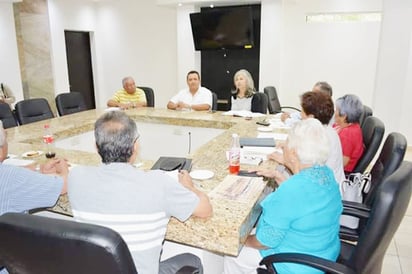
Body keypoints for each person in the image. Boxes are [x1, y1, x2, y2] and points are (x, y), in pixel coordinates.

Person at [68, 111, 213, 274]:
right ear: (135, 146)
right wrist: (189, 187)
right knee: (192, 261)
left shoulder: (75, 177)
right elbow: (205, 210)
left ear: (96, 146)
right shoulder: (159, 183)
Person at [223, 118, 342, 274]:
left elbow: (264, 242)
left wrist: (240, 241)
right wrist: (278, 176)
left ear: (293, 153)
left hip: (299, 265)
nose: (283, 148)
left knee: (234, 255)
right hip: (324, 251)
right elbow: (303, 200)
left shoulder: (291, 191)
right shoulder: (326, 173)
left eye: (285, 145)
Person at [267, 91, 345, 186]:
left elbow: (305, 175)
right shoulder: (326, 130)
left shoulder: (318, 137)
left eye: (302, 112)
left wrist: (285, 161)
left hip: (321, 189)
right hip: (325, 186)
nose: (300, 115)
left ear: (311, 117)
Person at [0, 120, 68, 215]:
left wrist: (39, 170)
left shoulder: (9, 174)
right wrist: (64, 168)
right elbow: (63, 186)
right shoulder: (12, 176)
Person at [333, 94, 364, 173]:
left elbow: (343, 162)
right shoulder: (347, 125)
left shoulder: (348, 134)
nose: (335, 112)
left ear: (344, 116)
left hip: (338, 173)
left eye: (336, 110)